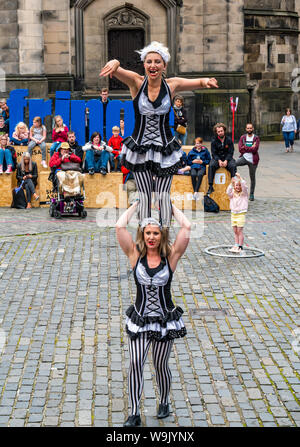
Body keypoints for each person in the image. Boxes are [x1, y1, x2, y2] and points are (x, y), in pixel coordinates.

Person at [100, 41, 218, 228]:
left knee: (163, 196)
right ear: (144, 64)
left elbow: (197, 82)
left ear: (164, 65)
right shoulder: (137, 82)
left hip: (164, 149)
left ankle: (164, 238)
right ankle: (145, 238)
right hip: (140, 148)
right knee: (145, 196)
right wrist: (114, 62)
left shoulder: (171, 85)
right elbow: (119, 70)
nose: (153, 65)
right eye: (149, 62)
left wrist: (206, 81)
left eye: (157, 61)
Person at [115, 201, 191, 427]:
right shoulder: (134, 254)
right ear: (142, 233)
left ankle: (165, 400)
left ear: (162, 234)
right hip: (140, 320)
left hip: (163, 322)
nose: (151, 237)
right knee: (136, 362)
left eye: (156, 233)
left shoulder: (171, 257)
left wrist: (168, 206)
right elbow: (119, 227)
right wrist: (137, 206)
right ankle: (134, 413)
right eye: (148, 233)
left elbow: (187, 227)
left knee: (160, 365)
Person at [207, 123, 236, 195]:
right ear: (216, 132)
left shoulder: (229, 140)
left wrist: (226, 160)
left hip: (227, 159)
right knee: (211, 165)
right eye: (218, 131)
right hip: (217, 159)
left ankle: (234, 185)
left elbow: (231, 152)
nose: (220, 132)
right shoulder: (214, 140)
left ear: (224, 131)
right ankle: (210, 186)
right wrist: (219, 160)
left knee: (233, 165)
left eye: (221, 131)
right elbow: (214, 153)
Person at [236, 123, 260, 201]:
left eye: (250, 128)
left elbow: (255, 149)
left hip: (253, 160)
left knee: (252, 177)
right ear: (246, 129)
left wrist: (245, 147)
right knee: (233, 164)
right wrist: (250, 147)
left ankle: (252, 194)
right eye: (248, 128)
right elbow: (240, 149)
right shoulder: (243, 137)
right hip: (244, 158)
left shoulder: (256, 138)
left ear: (253, 129)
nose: (249, 129)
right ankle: (235, 187)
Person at [226, 172, 248, 255]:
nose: (238, 187)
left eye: (239, 186)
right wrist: (231, 184)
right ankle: (236, 244)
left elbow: (245, 187)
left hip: (241, 214)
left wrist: (240, 178)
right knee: (235, 231)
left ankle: (240, 246)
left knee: (239, 231)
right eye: (236, 185)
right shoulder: (232, 194)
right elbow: (227, 191)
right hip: (233, 214)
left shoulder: (244, 194)